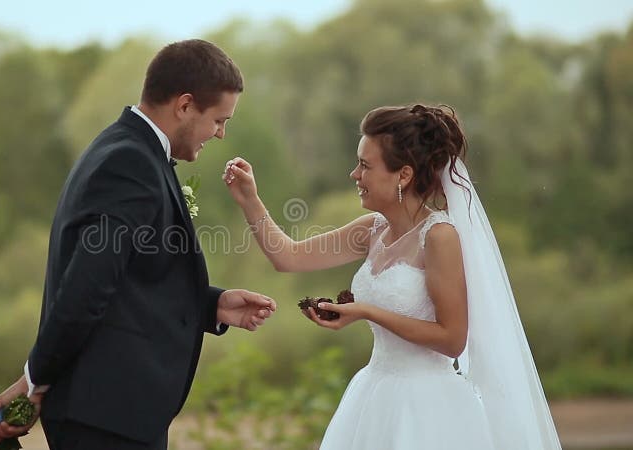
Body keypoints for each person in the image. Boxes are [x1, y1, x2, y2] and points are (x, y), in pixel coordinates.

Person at [0, 39, 277, 450]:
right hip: (105, 416)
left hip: (113, 414)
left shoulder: (127, 150)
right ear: (184, 105)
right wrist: (34, 379)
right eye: (218, 120)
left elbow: (130, 280)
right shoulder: (130, 163)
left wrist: (210, 304)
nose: (221, 133)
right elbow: (86, 288)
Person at [223, 104, 561, 449]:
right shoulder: (372, 230)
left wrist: (367, 311)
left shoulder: (439, 236)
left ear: (403, 175)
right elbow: (288, 257)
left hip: (427, 407)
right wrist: (250, 199)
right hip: (375, 394)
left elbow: (452, 339)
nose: (354, 174)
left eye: (365, 166)